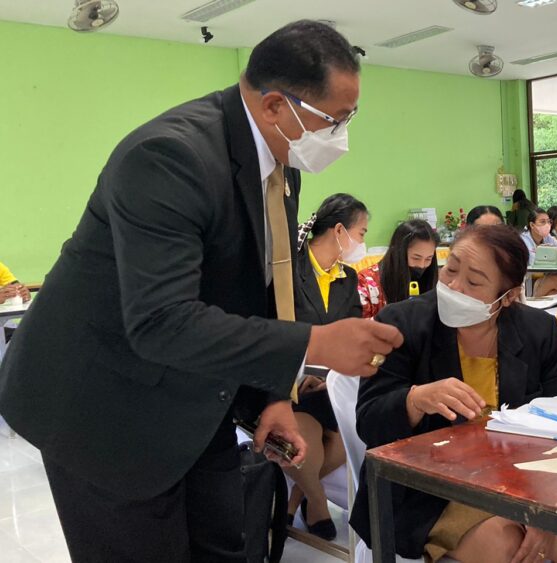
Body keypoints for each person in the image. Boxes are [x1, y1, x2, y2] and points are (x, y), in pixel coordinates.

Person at [0, 21, 405, 562]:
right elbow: (161, 321)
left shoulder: (280, 166)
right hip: (103, 404)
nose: (341, 136)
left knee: (224, 545)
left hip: (196, 394)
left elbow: (261, 288)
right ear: (275, 106)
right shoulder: (168, 158)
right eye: (334, 120)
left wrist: (273, 396)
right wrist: (317, 343)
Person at [350, 225, 557, 563]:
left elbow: (555, 432)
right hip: (426, 490)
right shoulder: (402, 323)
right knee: (507, 546)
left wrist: (544, 512)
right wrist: (415, 399)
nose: (454, 286)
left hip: (519, 480)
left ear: (508, 296)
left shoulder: (538, 331)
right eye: (451, 270)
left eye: (473, 282)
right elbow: (369, 421)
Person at [285, 193, 368, 540]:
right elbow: (275, 329)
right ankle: (316, 502)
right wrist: (298, 373)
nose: (362, 242)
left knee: (350, 437)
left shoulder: (347, 277)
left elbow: (352, 332)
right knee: (305, 436)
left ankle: (295, 498)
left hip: (329, 383)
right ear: (339, 231)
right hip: (288, 384)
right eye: (361, 233)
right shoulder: (288, 270)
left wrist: (333, 372)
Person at [358, 219, 439, 319]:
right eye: (416, 258)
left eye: (428, 259)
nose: (422, 265)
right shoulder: (366, 282)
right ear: (397, 253)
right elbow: (357, 325)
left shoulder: (434, 280)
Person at [521, 208, 557, 296]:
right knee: (555, 279)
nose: (547, 225)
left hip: (541, 281)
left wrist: (550, 255)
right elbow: (534, 262)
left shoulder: (547, 237)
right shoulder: (523, 240)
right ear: (532, 225)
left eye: (548, 222)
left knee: (555, 293)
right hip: (526, 284)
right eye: (542, 222)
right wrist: (554, 255)